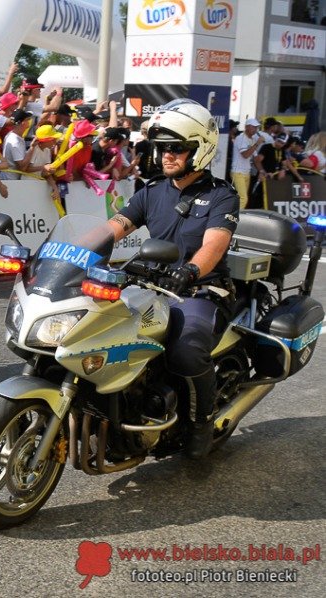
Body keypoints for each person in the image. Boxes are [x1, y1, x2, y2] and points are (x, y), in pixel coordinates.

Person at [106, 99, 239, 460]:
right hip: (150, 288)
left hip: (200, 290)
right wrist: (62, 251)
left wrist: (191, 269)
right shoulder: (151, 192)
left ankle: (201, 423)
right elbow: (113, 228)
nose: (166, 155)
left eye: (175, 148)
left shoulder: (220, 196)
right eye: (161, 147)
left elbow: (214, 244)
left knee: (185, 350)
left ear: (199, 149)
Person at [230, 117, 263, 209]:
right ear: (247, 127)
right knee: (243, 198)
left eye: (256, 127)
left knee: (242, 198)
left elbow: (255, 158)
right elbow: (245, 155)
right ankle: (236, 219)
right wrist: (257, 144)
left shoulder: (251, 140)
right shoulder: (240, 138)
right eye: (253, 127)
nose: (255, 130)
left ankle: (237, 216)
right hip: (238, 172)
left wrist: (261, 171)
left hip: (246, 172)